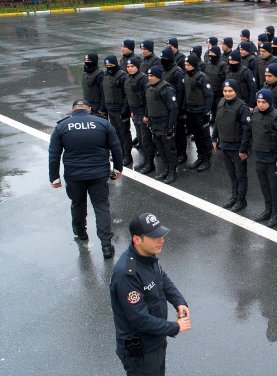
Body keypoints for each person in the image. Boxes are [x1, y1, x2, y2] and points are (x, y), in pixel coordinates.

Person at [110, 213, 191, 375]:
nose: (161, 240)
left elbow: (163, 279)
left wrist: (179, 301)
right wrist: (174, 327)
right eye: (155, 237)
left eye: (161, 235)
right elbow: (140, 319)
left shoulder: (147, 256)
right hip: (141, 353)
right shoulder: (127, 275)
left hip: (156, 340)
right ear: (137, 240)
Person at [49, 99, 123, 259]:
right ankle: (106, 246)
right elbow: (116, 147)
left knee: (77, 203)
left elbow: (54, 154)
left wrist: (54, 177)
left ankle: (81, 233)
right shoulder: (102, 123)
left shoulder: (62, 126)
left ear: (72, 109)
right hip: (98, 174)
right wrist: (118, 168)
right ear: (89, 109)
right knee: (102, 206)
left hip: (74, 175)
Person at [212, 79, 252, 212]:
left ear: (235, 91)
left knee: (241, 176)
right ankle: (234, 196)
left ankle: (241, 200)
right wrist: (214, 138)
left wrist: (243, 149)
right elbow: (217, 121)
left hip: (237, 148)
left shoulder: (242, 108)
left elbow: (247, 131)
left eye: (230, 91)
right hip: (224, 145)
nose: (227, 94)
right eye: (225, 91)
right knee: (232, 174)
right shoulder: (221, 103)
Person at [251, 88, 277, 226]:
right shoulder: (254, 113)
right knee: (264, 186)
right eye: (258, 101)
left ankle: (276, 214)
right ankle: (268, 209)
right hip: (259, 157)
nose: (260, 104)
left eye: (263, 102)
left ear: (270, 102)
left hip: (273, 160)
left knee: (274, 188)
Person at [143, 66, 179, 184]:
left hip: (164, 123)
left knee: (169, 149)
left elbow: (174, 109)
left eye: (152, 76)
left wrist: (170, 128)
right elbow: (148, 103)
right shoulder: (148, 87)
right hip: (154, 123)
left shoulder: (167, 89)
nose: (149, 78)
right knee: (160, 148)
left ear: (158, 76)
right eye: (148, 75)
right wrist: (147, 116)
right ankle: (166, 169)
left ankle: (172, 171)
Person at [182, 54, 214, 172]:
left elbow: (209, 95)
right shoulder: (186, 77)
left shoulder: (202, 78)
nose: (186, 67)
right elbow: (186, 94)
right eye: (185, 64)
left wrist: (206, 113)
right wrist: (185, 109)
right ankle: (200, 157)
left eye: (188, 65)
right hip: (191, 112)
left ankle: (206, 160)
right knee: (196, 136)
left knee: (204, 137)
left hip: (200, 112)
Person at [122, 57, 152, 172]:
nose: (129, 69)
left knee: (145, 139)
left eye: (132, 66)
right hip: (135, 113)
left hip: (143, 112)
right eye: (128, 67)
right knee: (140, 138)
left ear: (137, 67)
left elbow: (148, 98)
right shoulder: (128, 79)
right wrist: (128, 111)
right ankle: (145, 160)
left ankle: (150, 163)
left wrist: (146, 115)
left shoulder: (143, 79)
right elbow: (128, 96)